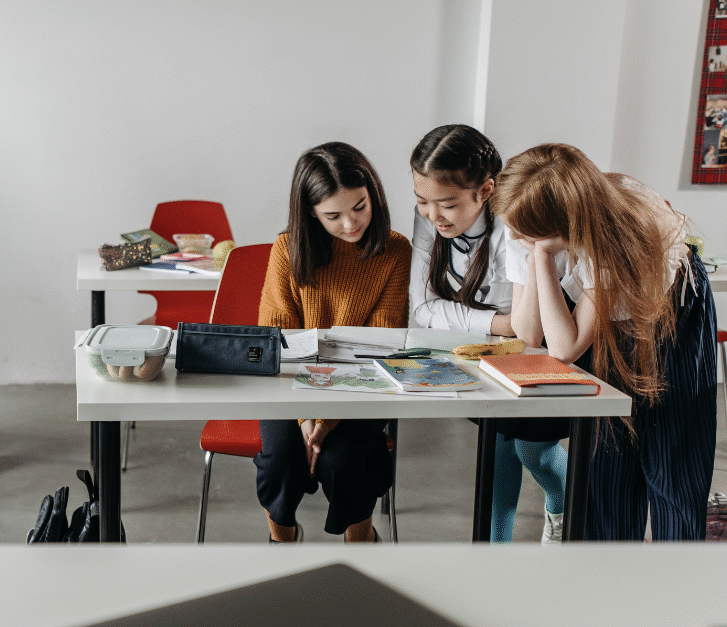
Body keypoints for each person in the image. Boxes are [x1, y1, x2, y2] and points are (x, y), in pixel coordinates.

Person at [493, 143, 718, 541]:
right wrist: (537, 254)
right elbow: (529, 333)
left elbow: (565, 347)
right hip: (605, 321)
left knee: (671, 463)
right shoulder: (525, 219)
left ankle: (681, 580)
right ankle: (607, 579)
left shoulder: (616, 232)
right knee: (608, 463)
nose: (513, 235)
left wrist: (542, 257)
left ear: (563, 226)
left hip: (672, 315)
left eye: (525, 232)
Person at [409, 124, 568, 543]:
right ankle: (494, 553)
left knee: (534, 453)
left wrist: (496, 323)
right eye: (421, 201)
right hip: (489, 353)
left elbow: (529, 329)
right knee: (498, 451)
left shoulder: (515, 226)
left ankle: (563, 508)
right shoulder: (432, 219)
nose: (431, 215)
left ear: (485, 191)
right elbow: (423, 309)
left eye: (445, 204)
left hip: (547, 347)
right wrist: (499, 323)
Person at [255, 142, 411, 543]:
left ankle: (361, 538)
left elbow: (381, 342)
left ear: (372, 193)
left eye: (360, 206)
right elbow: (278, 342)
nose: (350, 224)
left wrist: (329, 419)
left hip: (364, 384)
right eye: (333, 215)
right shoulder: (286, 251)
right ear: (310, 212)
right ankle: (281, 535)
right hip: (289, 386)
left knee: (343, 462)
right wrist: (308, 417)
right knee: (281, 463)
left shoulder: (394, 251)